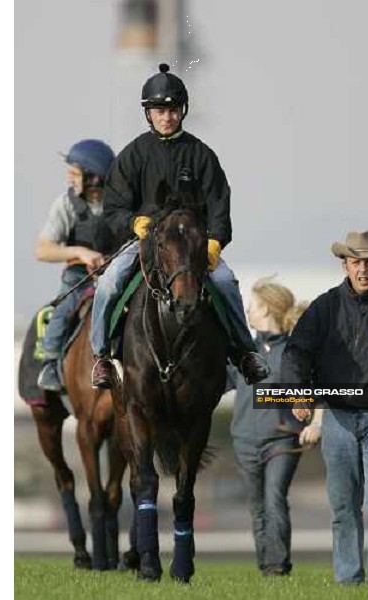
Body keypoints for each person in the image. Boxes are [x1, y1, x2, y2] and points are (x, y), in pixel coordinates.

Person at [89, 63, 270, 388]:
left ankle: (246, 352)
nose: (167, 116)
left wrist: (214, 241)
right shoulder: (132, 155)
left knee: (226, 281)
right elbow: (113, 208)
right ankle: (101, 357)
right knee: (109, 281)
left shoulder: (202, 155)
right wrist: (134, 222)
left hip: (193, 244)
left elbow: (219, 205)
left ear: (182, 111)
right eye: (159, 110)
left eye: (172, 109)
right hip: (145, 240)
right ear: (149, 114)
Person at [281, 231, 368, 588]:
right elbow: (296, 353)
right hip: (337, 417)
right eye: (357, 262)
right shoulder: (324, 308)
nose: (364, 269)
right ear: (346, 265)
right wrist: (300, 395)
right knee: (343, 506)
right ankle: (348, 579)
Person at [229, 277, 316, 576]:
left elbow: (313, 391)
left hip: (282, 439)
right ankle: (266, 566)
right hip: (243, 441)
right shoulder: (241, 352)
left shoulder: (295, 351)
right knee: (257, 507)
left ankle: (278, 566)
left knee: (274, 498)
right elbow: (212, 384)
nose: (248, 312)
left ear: (265, 308)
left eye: (252, 306)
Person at [35, 139, 117, 391]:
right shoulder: (65, 204)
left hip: (116, 272)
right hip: (79, 276)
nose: (69, 179)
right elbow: (42, 250)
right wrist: (80, 252)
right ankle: (50, 362)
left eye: (74, 173)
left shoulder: (121, 204)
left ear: (93, 177)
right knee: (64, 307)